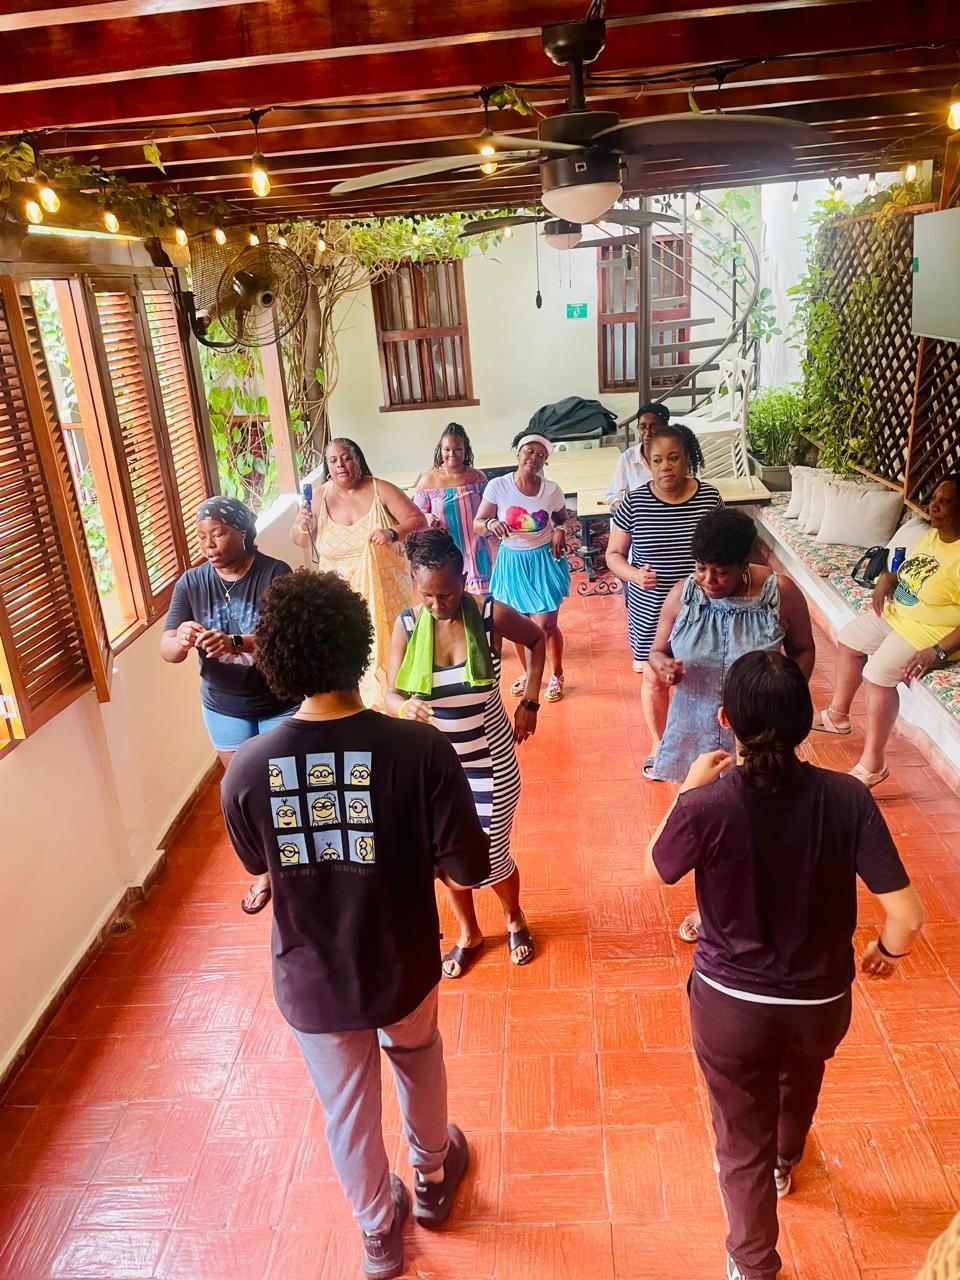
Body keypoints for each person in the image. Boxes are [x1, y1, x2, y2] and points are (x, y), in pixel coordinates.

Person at [221, 569, 490, 1280]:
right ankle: (432, 1179)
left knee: (345, 1106)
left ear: (274, 663)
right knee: (418, 1056)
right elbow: (467, 867)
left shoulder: (247, 771)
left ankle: (377, 1231)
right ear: (363, 646)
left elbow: (259, 864)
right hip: (402, 960)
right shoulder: (419, 750)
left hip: (313, 978)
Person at [646, 650, 924, 1280]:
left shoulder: (707, 805)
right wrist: (887, 952)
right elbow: (906, 914)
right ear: (804, 725)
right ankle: (785, 1158)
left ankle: (753, 1264)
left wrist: (686, 791)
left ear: (725, 721)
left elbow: (656, 867)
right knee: (801, 1076)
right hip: (821, 1007)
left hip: (729, 1009)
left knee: (736, 1140)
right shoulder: (848, 798)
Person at [386, 529, 546, 976]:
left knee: (490, 853)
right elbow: (390, 694)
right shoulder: (408, 624)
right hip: (435, 768)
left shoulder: (489, 614)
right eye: (429, 595)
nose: (439, 605)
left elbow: (536, 641)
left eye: (449, 593)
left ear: (463, 577)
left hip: (490, 762)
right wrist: (405, 705)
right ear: (415, 586)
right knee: (442, 857)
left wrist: (530, 701)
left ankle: (513, 915)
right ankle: (468, 932)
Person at [161, 496, 296, 916]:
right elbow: (167, 650)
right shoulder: (191, 583)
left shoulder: (275, 574)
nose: (209, 543)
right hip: (223, 705)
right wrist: (181, 638)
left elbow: (288, 638)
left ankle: (297, 867)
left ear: (242, 530)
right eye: (202, 536)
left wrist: (236, 642)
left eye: (217, 533)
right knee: (245, 794)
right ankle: (266, 872)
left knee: (285, 788)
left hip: (279, 700)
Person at [812, 472, 960, 788]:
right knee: (849, 640)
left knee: (876, 675)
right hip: (899, 613)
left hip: (930, 632)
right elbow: (909, 570)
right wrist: (888, 578)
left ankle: (873, 764)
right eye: (934, 499)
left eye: (945, 503)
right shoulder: (933, 537)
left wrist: (937, 652)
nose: (934, 507)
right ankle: (838, 716)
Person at [649, 508, 816, 785]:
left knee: (755, 809)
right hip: (693, 728)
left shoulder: (781, 595)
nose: (708, 580)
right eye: (701, 568)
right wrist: (663, 667)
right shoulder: (683, 596)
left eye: (722, 571)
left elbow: (803, 649)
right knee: (694, 807)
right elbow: (657, 652)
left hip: (758, 734)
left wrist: (788, 697)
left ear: (745, 563)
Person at [605, 422, 723, 773]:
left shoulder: (709, 498)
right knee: (654, 678)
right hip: (651, 609)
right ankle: (660, 743)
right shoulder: (634, 501)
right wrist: (634, 575)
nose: (666, 466)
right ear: (648, 463)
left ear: (688, 458)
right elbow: (613, 555)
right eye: (657, 460)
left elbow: (723, 550)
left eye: (674, 458)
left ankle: (705, 743)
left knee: (701, 675)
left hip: (703, 608)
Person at [289, 437, 427, 709]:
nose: (341, 465)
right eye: (333, 460)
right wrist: (304, 525)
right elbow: (301, 540)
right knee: (347, 657)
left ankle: (399, 714)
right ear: (328, 466)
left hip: (385, 594)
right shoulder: (317, 498)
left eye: (347, 457)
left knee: (391, 658)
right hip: (339, 598)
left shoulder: (381, 489)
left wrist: (392, 532)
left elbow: (418, 520)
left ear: (359, 459)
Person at [473, 433, 570, 703]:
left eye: (541, 455)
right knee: (515, 623)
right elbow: (478, 523)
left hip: (543, 560)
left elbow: (564, 519)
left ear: (545, 461)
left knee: (547, 624)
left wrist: (560, 530)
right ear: (518, 453)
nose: (534, 458)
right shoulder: (498, 486)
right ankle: (529, 673)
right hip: (512, 562)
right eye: (529, 451)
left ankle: (557, 674)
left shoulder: (551, 490)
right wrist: (491, 524)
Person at [414, 423, 494, 592]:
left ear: (465, 450)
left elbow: (492, 510)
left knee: (481, 602)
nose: (452, 454)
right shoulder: (428, 480)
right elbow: (416, 515)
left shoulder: (477, 478)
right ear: (440, 450)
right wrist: (427, 518)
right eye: (447, 449)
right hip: (445, 552)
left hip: (476, 550)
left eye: (457, 449)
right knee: (450, 596)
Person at [606, 401, 669, 510]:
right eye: (642, 427)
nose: (647, 433)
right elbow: (613, 495)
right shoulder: (629, 457)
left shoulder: (674, 457)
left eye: (654, 427)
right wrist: (629, 513)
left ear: (665, 428)